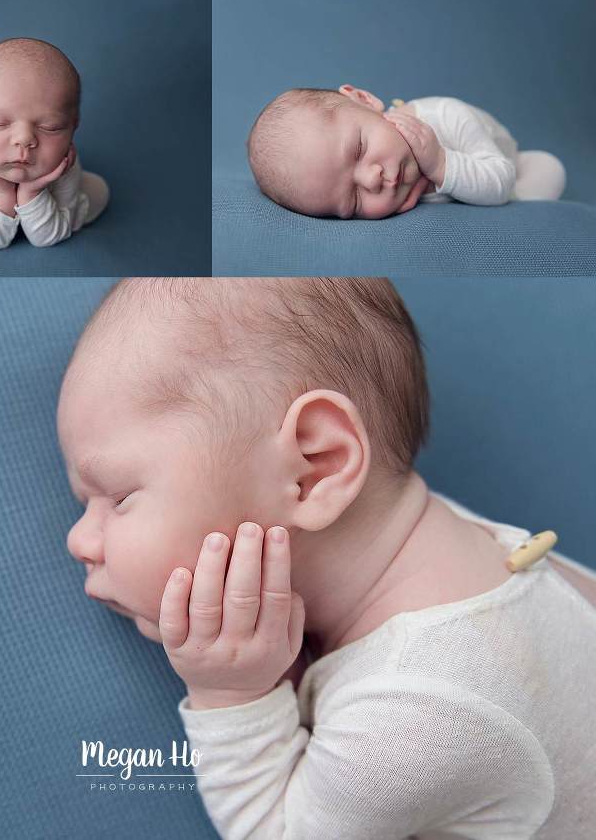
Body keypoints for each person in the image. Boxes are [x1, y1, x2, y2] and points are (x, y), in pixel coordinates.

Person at [57, 277, 596, 838]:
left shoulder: (414, 714)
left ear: (313, 470)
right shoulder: (459, 552)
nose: (78, 540)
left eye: (118, 496)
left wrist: (233, 695)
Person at [248, 85, 566, 219]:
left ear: (364, 100)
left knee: (549, 170)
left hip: (506, 160)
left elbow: (500, 177)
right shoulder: (390, 180)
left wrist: (441, 164)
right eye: (354, 201)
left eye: (359, 149)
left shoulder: (446, 116)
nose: (373, 179)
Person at [0, 37, 109, 250]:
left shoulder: (65, 168)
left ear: (73, 128)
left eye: (50, 126)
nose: (24, 139)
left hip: (51, 207)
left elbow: (48, 238)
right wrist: (0, 191)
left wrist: (33, 192)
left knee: (97, 190)